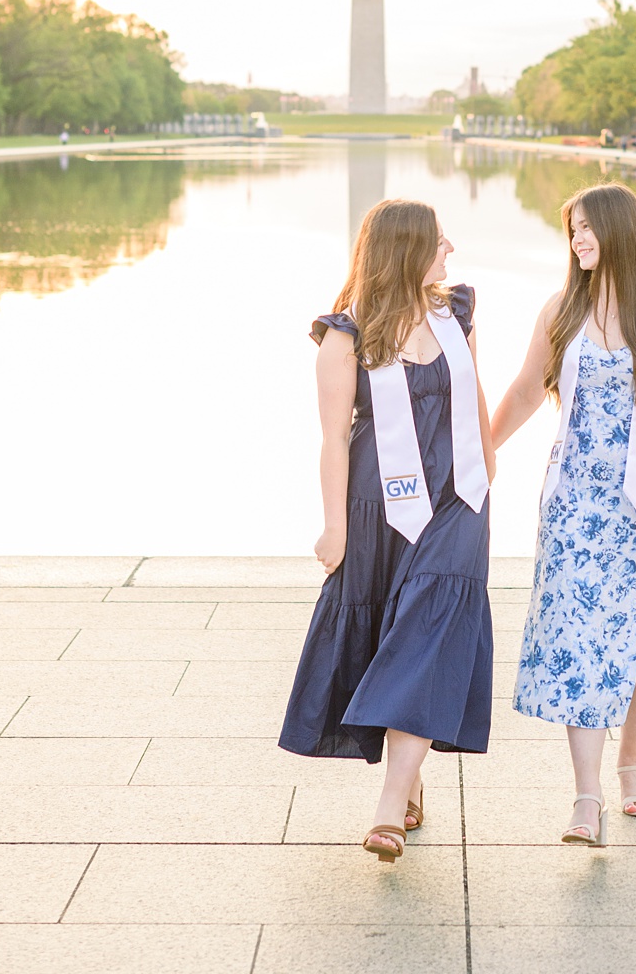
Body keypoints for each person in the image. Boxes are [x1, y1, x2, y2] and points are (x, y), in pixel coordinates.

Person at [489, 182, 636, 844]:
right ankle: (585, 796)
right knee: (576, 633)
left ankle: (632, 759)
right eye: (572, 230)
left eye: (587, 228)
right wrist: (479, 453)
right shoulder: (563, 308)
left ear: (621, 229)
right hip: (575, 502)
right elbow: (526, 392)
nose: (577, 240)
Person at [279, 199, 494, 862]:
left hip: (459, 503)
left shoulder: (456, 313)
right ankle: (410, 780)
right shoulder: (346, 335)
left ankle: (385, 813)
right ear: (406, 249)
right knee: (394, 641)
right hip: (383, 506)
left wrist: (491, 469)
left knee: (432, 627)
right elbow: (335, 440)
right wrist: (333, 527)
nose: (450, 247)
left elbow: (476, 396)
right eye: (437, 240)